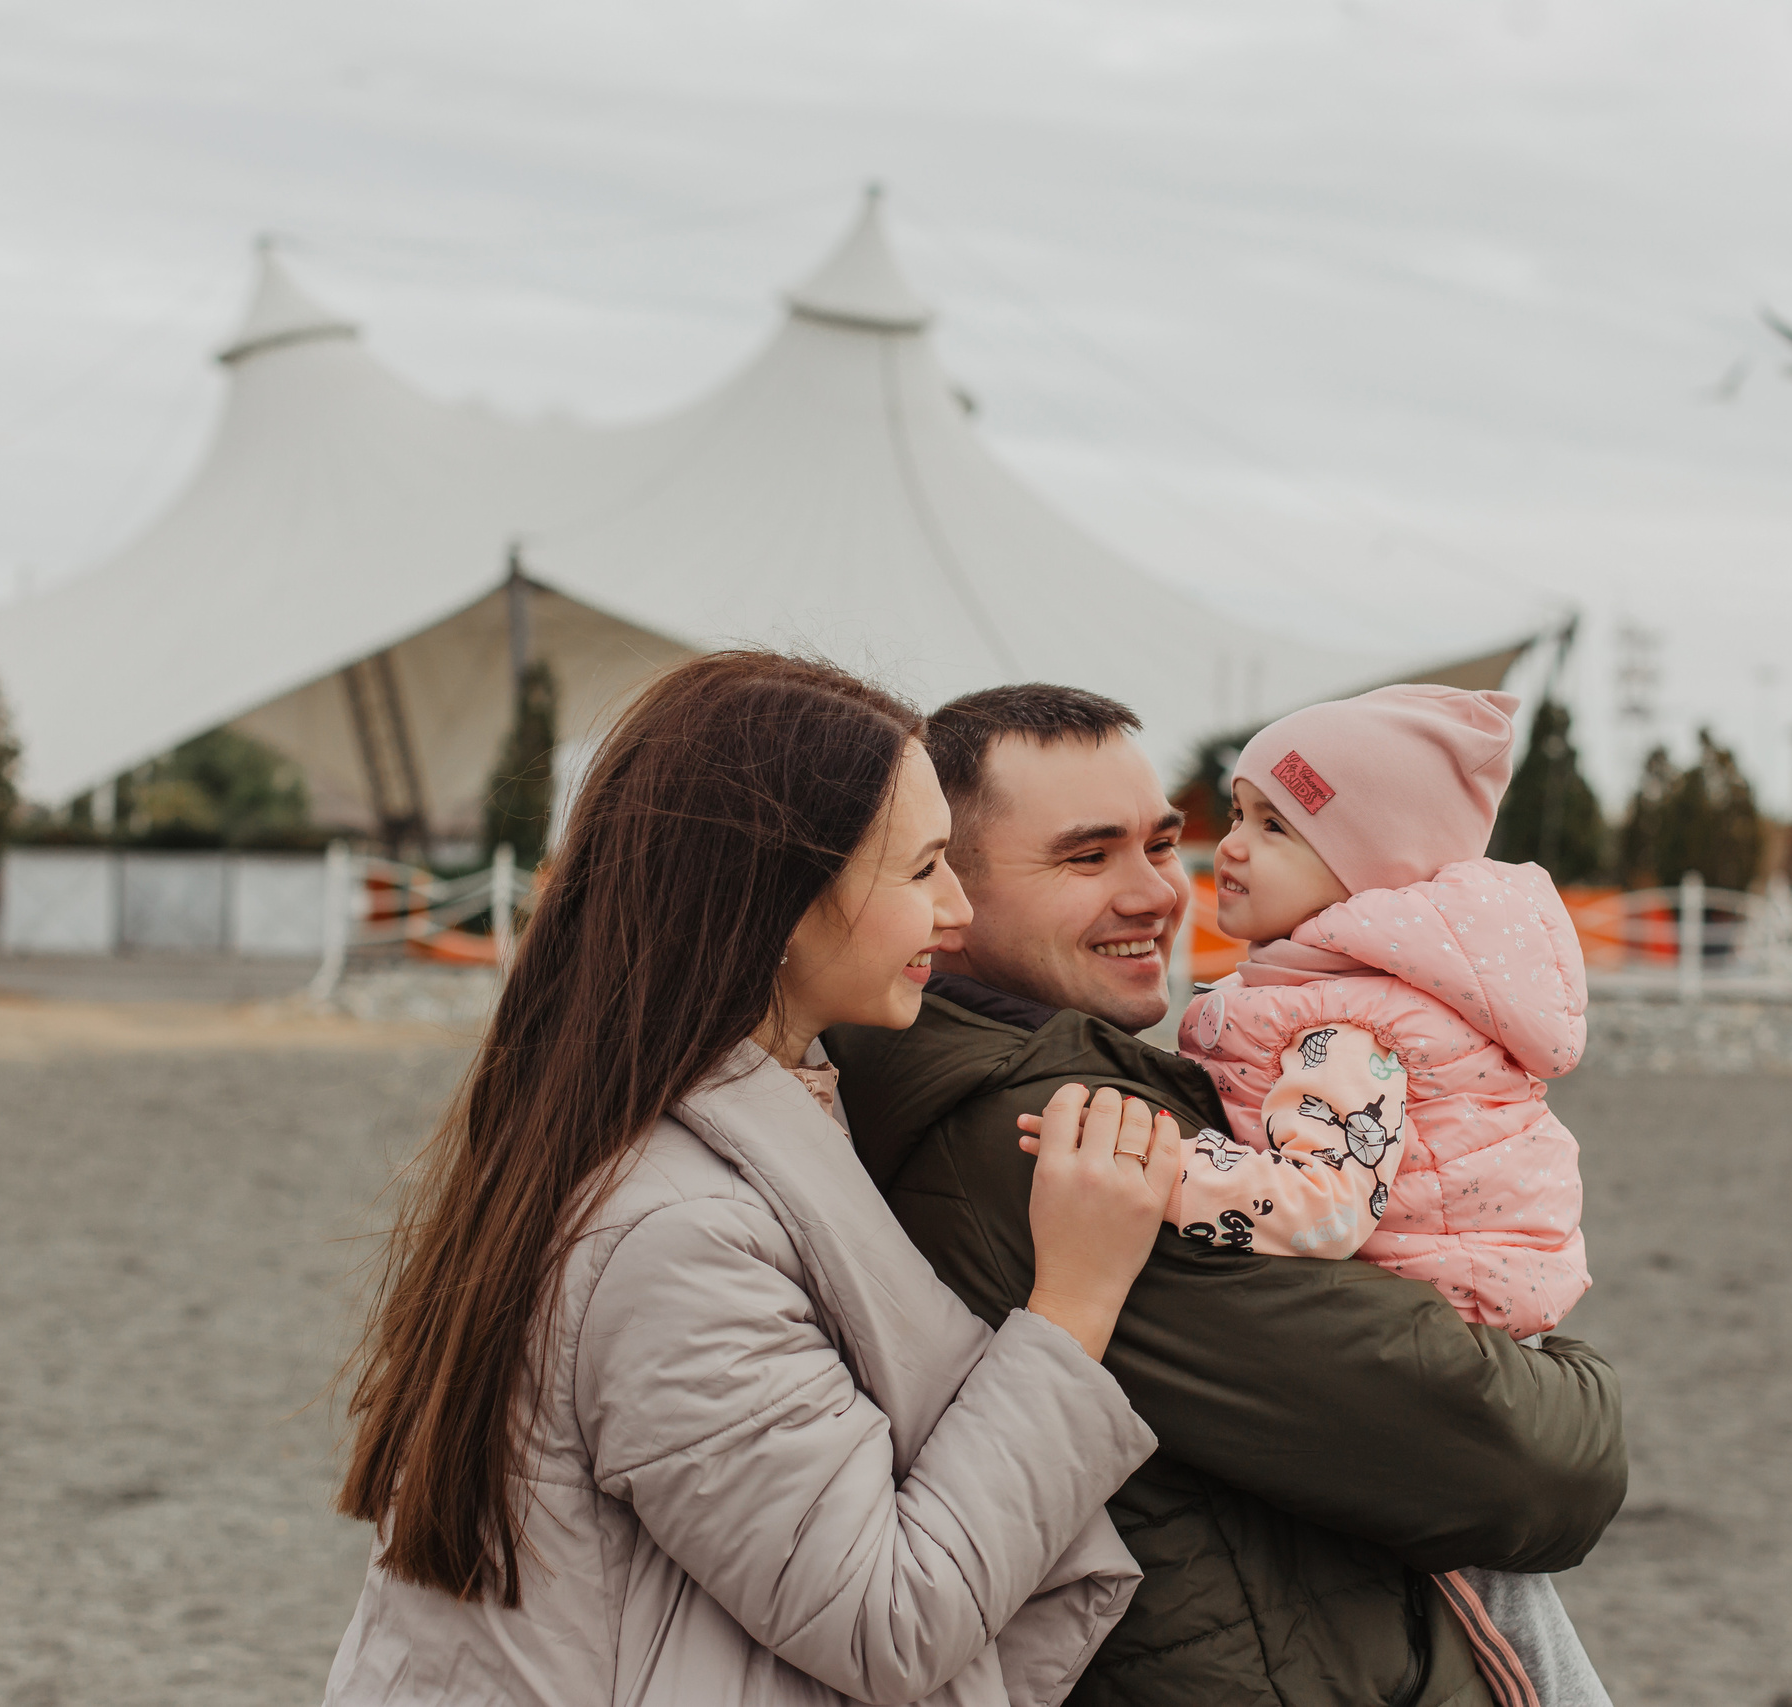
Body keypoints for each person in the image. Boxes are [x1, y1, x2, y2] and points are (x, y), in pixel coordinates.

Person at [324, 652, 1188, 1707]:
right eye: (921, 870)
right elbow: (889, 1622)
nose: (955, 910)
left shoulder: (674, 1125)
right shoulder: (673, 1234)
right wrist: (1073, 1306)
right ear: (778, 901)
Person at [824, 685, 1628, 1707]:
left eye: (1162, 845)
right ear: (947, 886)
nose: (1159, 893)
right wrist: (1584, 1392)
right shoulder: (1056, 1136)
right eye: (1087, 856)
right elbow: (1516, 1465)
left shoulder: (1075, 1075)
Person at [1173, 683, 1609, 1707]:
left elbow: (1322, 1210)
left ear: (1363, 871)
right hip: (1454, 1305)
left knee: (1481, 1607)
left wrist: (1161, 1171)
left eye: (1275, 826)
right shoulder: (1323, 988)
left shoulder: (1348, 1032)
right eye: (1237, 814)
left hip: (1441, 1328)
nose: (1230, 846)